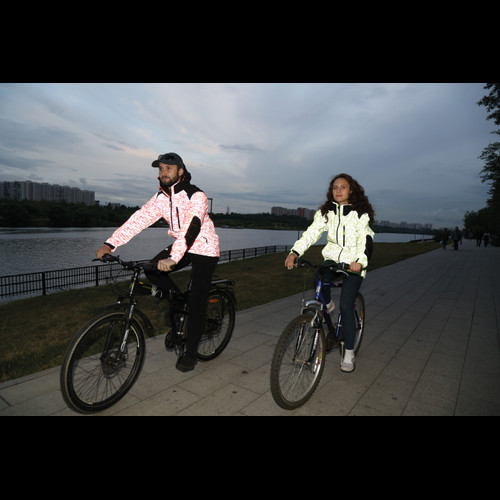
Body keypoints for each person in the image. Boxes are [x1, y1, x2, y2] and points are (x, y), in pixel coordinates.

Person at [95, 152, 220, 372]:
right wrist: (110, 244)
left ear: (180, 171)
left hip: (204, 247)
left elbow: (191, 228)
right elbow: (138, 220)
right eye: (160, 169)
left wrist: (173, 258)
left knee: (197, 301)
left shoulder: (196, 196)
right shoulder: (161, 197)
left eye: (168, 168)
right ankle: (179, 302)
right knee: (152, 270)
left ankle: (191, 353)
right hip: (181, 246)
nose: (163, 172)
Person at [285, 173, 375, 373]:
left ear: (351, 190)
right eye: (335, 187)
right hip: (333, 259)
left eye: (343, 187)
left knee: (346, 304)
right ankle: (327, 305)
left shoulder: (360, 214)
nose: (338, 190)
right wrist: (295, 252)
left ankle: (349, 351)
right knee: (318, 277)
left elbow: (365, 240)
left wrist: (359, 262)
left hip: (354, 263)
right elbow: (311, 233)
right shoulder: (327, 212)